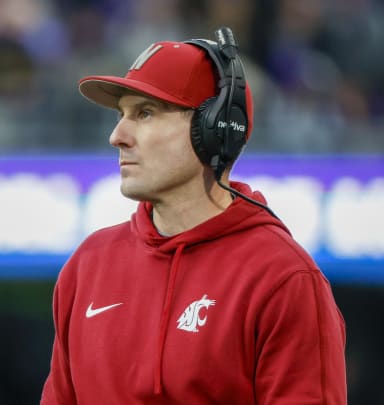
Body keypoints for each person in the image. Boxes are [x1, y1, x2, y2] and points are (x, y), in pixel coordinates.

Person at [40, 27, 347, 404]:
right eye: (122, 115)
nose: (117, 135)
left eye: (146, 113)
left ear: (214, 129)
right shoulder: (88, 264)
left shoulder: (283, 277)